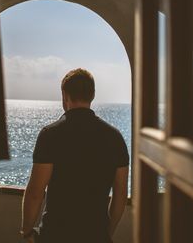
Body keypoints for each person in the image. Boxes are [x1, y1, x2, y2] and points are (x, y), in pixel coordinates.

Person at [20, 68, 130, 242]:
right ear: (92, 95)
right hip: (96, 235)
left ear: (64, 94)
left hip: (55, 235)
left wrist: (26, 231)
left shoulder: (50, 135)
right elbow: (121, 194)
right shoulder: (115, 137)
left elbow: (35, 192)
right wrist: (107, 233)